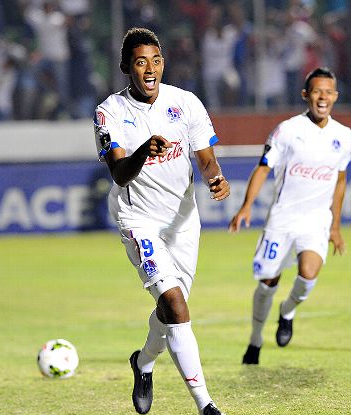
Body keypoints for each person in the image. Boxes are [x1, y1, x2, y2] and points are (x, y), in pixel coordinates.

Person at [93, 27, 229, 415]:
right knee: (174, 303)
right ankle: (205, 404)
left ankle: (143, 363)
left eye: (155, 60)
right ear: (126, 67)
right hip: (138, 220)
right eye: (141, 62)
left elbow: (206, 158)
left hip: (183, 222)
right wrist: (143, 151)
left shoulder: (185, 103)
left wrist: (215, 178)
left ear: (163, 63)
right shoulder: (109, 112)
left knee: (171, 311)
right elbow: (119, 174)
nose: (150, 69)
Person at [229, 67, 351, 365]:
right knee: (266, 283)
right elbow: (263, 167)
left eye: (328, 92)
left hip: (316, 221)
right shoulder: (287, 130)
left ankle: (287, 311)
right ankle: (255, 340)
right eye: (317, 91)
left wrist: (335, 226)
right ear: (305, 95)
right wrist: (246, 205)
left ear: (335, 96)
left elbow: (340, 182)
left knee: (308, 274)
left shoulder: (344, 136)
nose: (322, 97)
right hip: (282, 220)